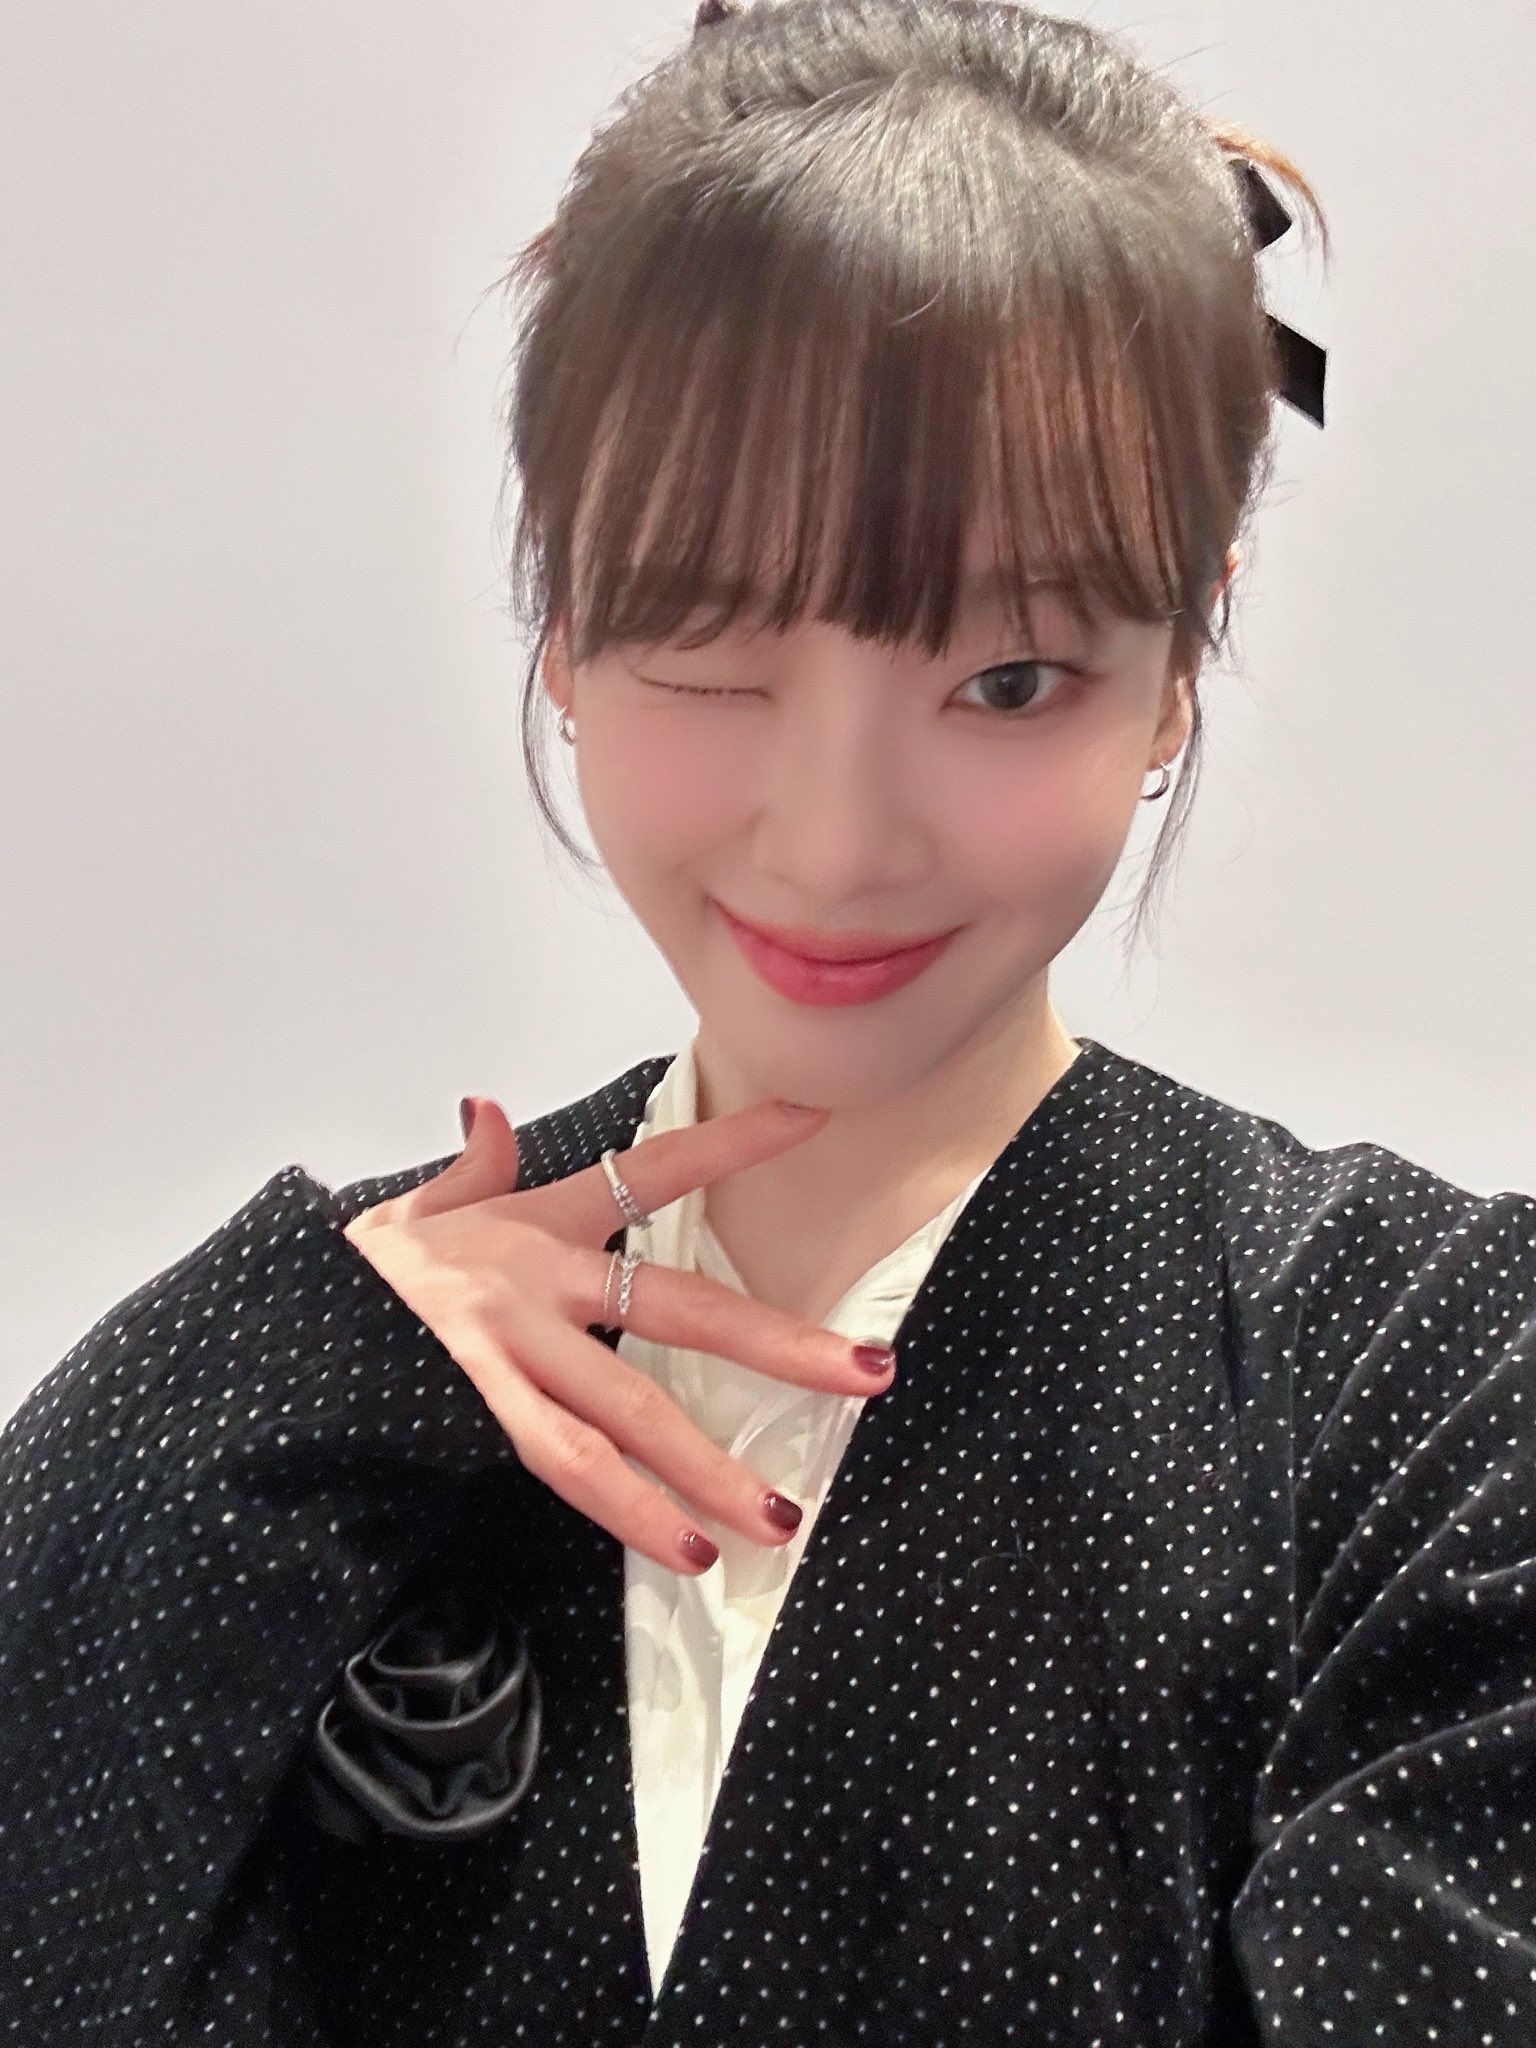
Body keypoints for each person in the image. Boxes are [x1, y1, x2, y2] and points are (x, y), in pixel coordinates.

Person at [2, 2, 1531, 2043]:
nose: (834, 842)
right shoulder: (313, 1391)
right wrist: (273, 1382)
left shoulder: (1436, 1384)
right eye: (708, 648)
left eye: (1009, 680)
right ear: (562, 625)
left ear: (1183, 659)